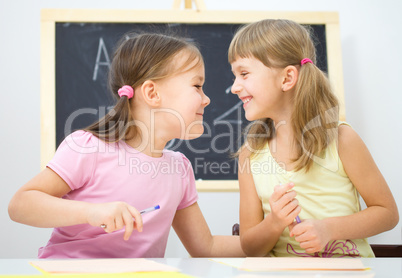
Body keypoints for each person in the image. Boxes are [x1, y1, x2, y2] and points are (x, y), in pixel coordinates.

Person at [8, 32, 244, 259]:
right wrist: (91, 212)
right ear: (152, 93)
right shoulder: (88, 147)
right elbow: (21, 204)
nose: (206, 98)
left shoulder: (179, 168)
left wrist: (272, 237)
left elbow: (206, 247)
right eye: (197, 86)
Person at [228, 19, 399, 257]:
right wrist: (275, 222)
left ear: (287, 78)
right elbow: (250, 248)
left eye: (244, 74)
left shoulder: (341, 139)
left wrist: (328, 229)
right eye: (235, 75)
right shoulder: (251, 154)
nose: (235, 86)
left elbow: (387, 213)